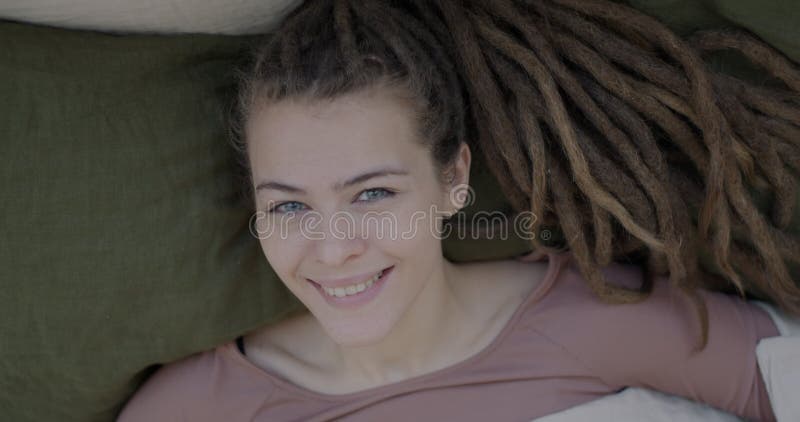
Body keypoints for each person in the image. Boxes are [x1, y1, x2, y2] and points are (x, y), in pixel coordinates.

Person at [118, 0, 800, 420]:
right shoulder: (195, 409)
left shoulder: (590, 321)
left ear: (453, 180)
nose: (332, 250)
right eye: (290, 205)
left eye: (372, 193)